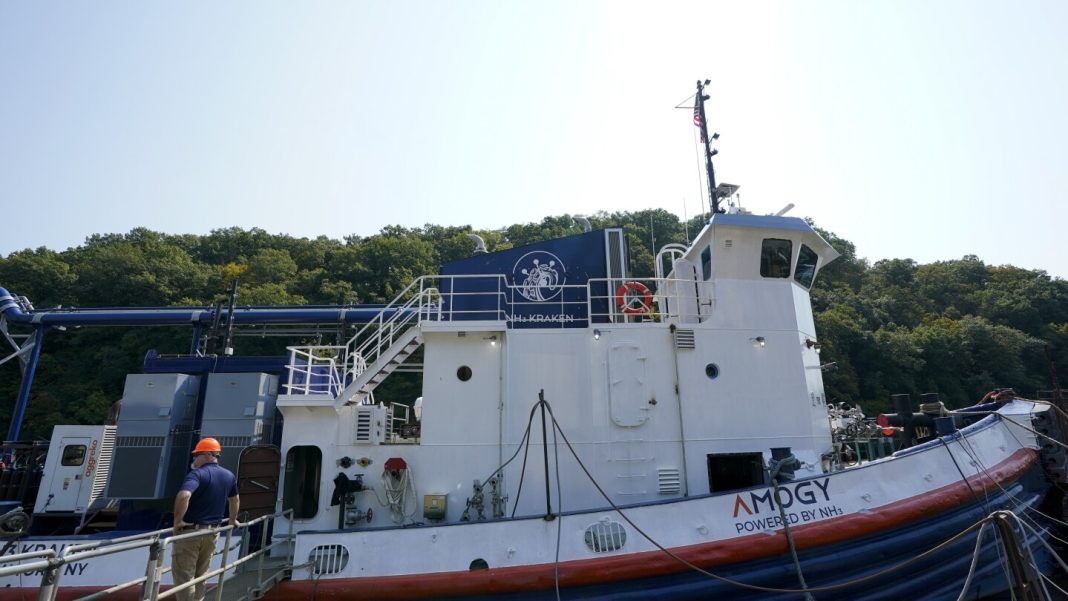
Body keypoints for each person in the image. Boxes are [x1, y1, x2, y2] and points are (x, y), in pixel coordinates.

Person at [172, 437, 240, 601]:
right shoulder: (229, 475)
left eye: (197, 455)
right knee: (202, 575)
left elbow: (184, 496)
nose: (194, 459)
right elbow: (235, 500)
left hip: (191, 533)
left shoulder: (197, 474)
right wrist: (232, 521)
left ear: (209, 455)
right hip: (212, 533)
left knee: (185, 577)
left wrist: (177, 521)